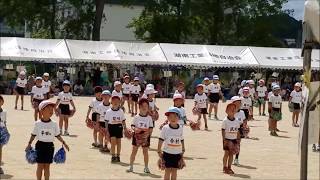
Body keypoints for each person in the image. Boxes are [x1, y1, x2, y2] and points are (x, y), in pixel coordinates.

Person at [25, 100, 69, 180]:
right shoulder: (37, 123)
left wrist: (64, 143)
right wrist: (29, 144)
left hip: (50, 147)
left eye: (52, 109)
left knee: (47, 166)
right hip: (40, 146)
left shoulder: (54, 124)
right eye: (49, 109)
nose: (51, 111)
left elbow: (57, 135)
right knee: (40, 166)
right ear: (42, 110)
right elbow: (33, 135)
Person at [158, 107, 185, 180]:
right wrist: (159, 150)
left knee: (174, 171)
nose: (172, 118)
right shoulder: (165, 128)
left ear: (179, 117)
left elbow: (182, 139)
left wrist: (183, 150)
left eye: (175, 116)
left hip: (177, 153)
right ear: (167, 118)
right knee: (167, 170)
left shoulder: (180, 128)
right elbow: (161, 139)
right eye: (170, 116)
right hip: (167, 153)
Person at [127, 99, 153, 173]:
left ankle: (146, 167)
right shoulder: (136, 117)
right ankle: (131, 166)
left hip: (146, 137)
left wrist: (148, 134)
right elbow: (132, 126)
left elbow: (151, 128)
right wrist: (135, 129)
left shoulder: (149, 118)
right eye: (142, 106)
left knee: (145, 152)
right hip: (137, 136)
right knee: (134, 151)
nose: (144, 107)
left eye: (146, 106)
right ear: (139, 107)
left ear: (148, 107)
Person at [105, 95, 127, 163]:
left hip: (119, 127)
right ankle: (113, 156)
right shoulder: (108, 111)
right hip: (111, 127)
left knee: (119, 142)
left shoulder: (121, 111)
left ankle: (118, 156)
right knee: (113, 142)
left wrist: (125, 128)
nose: (115, 102)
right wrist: (107, 130)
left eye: (117, 101)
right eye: (114, 101)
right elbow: (106, 121)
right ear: (111, 102)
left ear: (119, 102)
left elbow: (123, 120)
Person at [222, 103, 240, 174]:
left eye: (234, 109)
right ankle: (224, 167)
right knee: (226, 153)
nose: (232, 110)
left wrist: (238, 140)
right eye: (230, 109)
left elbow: (238, 131)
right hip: (227, 139)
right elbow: (223, 130)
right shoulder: (225, 121)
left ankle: (229, 167)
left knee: (231, 154)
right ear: (226, 111)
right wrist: (224, 140)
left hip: (234, 140)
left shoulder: (237, 121)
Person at [230, 96, 246, 166]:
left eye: (239, 103)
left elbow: (244, 121)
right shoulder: (230, 112)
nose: (238, 104)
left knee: (238, 144)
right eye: (237, 103)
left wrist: (245, 126)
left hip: (239, 130)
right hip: (231, 130)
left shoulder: (242, 112)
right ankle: (229, 158)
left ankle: (236, 159)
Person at [0, 95, 7, 174]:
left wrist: (6, 131)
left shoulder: (4, 112)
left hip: (1, 131)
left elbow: (4, 122)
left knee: (0, 149)